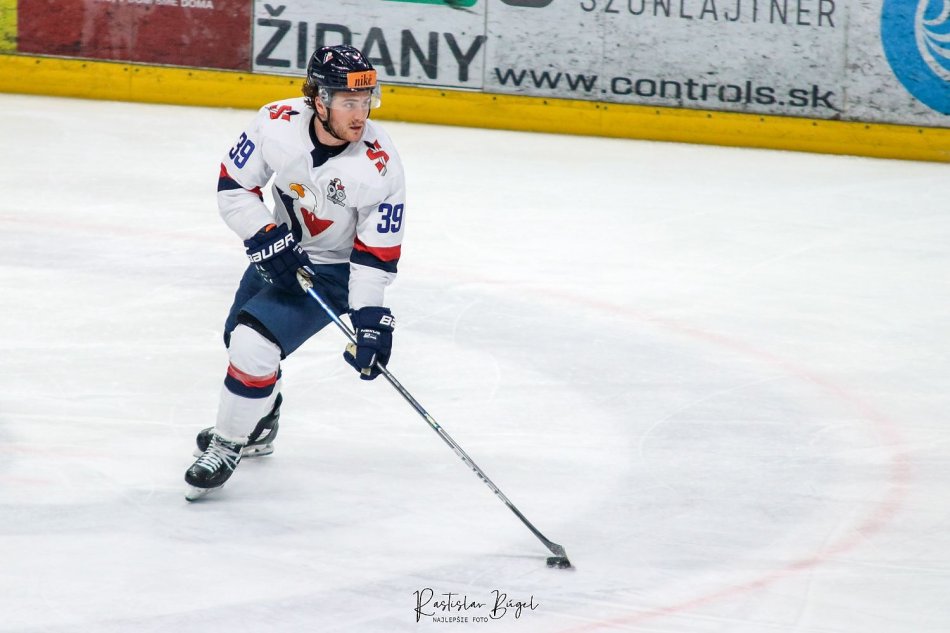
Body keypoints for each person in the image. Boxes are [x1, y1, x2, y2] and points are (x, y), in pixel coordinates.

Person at [184, 44, 406, 501]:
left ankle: (227, 444)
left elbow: (375, 256)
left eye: (366, 101)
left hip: (332, 272)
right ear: (319, 100)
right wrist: (263, 234)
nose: (360, 114)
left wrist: (368, 317)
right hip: (277, 251)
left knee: (254, 343)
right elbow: (234, 187)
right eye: (348, 102)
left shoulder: (379, 166)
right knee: (239, 342)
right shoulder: (275, 123)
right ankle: (261, 423)